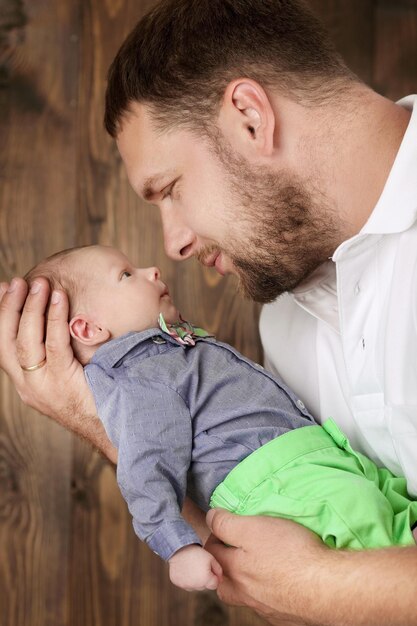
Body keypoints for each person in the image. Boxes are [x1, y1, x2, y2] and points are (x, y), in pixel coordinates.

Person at [1, 0, 417, 623]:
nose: (172, 244)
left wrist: (320, 582)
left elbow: (319, 584)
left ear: (250, 116)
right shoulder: (286, 322)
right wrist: (100, 413)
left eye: (169, 190)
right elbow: (279, 578)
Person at [23, 244, 417, 595]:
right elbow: (146, 464)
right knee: (353, 510)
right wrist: (178, 546)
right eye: (126, 275)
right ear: (88, 328)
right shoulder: (141, 378)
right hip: (273, 477)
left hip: (304, 457)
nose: (152, 271)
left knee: (380, 493)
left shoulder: (167, 352)